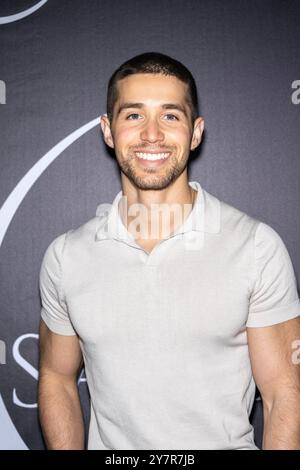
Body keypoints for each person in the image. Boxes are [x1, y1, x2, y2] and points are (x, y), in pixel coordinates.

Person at [38, 52, 300, 450]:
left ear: (196, 133)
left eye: (170, 116)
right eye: (134, 115)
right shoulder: (66, 256)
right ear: (108, 130)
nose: (152, 134)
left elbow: (284, 392)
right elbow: (56, 377)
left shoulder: (255, 246)